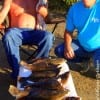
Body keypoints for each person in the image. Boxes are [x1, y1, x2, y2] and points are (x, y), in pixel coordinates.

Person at [0, 0, 54, 79]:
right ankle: (17, 72)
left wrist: (45, 14)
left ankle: (38, 69)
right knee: (8, 36)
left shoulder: (40, 1)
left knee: (48, 37)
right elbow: (2, 14)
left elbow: (48, 20)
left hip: (35, 32)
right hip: (16, 33)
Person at [55, 0, 100, 73]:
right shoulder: (74, 8)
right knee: (60, 50)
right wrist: (68, 47)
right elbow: (68, 32)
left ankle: (95, 59)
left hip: (98, 48)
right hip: (81, 46)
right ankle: (84, 60)